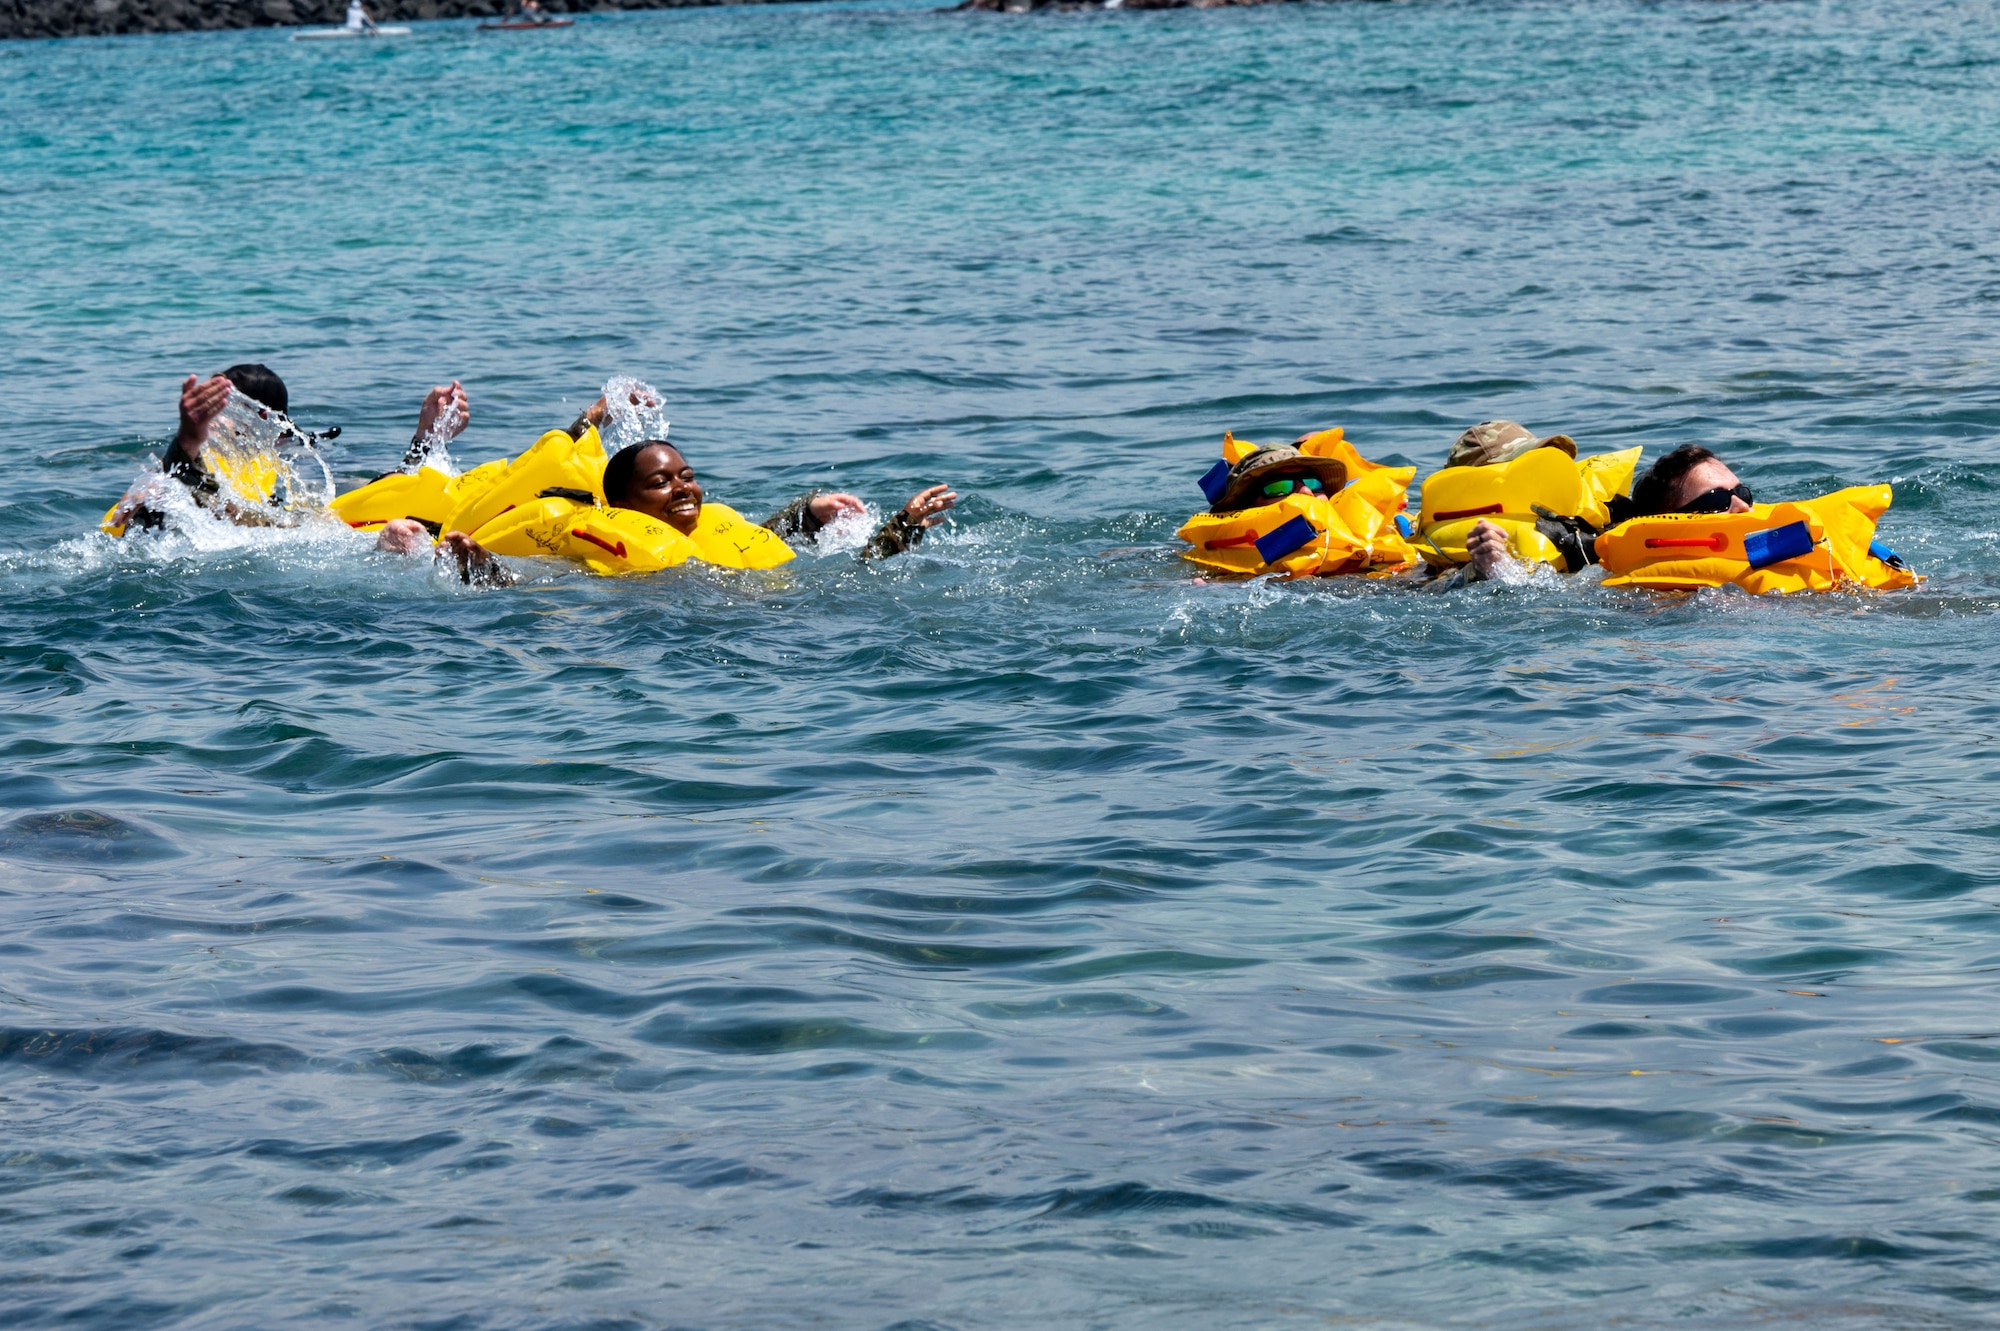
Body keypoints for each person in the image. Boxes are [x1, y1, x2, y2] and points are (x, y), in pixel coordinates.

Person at [116, 363, 470, 535]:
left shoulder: (298, 469)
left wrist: (427, 440)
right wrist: (176, 459)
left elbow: (372, 499)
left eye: (221, 410)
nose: (212, 420)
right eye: (207, 410)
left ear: (262, 422)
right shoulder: (194, 470)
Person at [1462, 439, 1752, 581]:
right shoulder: (1614, 581)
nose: (1742, 508)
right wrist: (1496, 570)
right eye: (1715, 502)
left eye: (1743, 494)